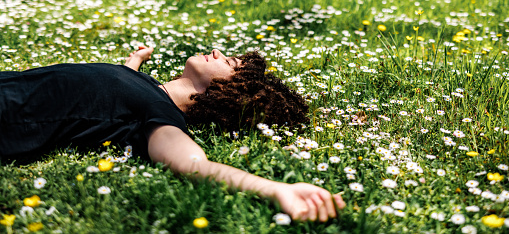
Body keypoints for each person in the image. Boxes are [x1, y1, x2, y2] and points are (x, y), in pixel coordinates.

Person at [0, 46, 345, 222]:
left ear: (231, 89)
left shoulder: (160, 115)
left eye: (229, 62)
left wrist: (276, 188)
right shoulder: (150, 88)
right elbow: (113, 89)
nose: (218, 52)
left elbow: (193, 163)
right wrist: (133, 63)